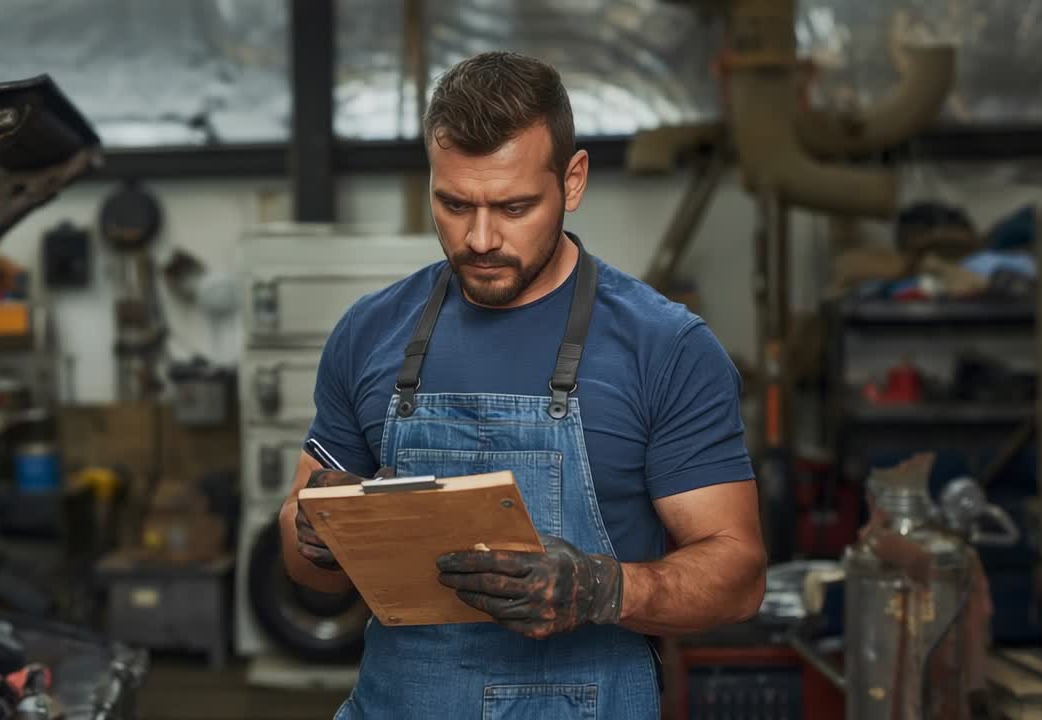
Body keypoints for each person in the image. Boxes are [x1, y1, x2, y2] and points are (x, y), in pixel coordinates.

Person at [278, 51, 766, 719]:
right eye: (453, 204)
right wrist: (312, 530)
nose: (479, 238)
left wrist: (602, 588)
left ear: (573, 181)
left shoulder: (665, 349)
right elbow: (309, 569)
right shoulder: (371, 333)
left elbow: (738, 579)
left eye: (512, 206)